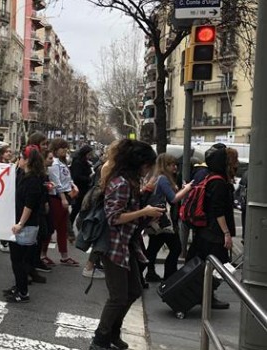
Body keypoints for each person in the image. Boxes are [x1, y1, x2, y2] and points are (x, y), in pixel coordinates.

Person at [89, 140, 164, 350]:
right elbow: (114, 217)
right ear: (138, 163)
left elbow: (129, 215)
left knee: (133, 291)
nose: (149, 169)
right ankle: (100, 340)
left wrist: (148, 211)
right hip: (113, 246)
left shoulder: (130, 182)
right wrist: (144, 212)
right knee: (118, 296)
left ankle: (113, 332)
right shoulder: (121, 182)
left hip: (127, 244)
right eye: (148, 165)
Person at [186, 147, 238, 310]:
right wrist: (227, 234)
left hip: (205, 230)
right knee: (217, 265)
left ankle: (202, 295)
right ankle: (206, 296)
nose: (236, 164)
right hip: (214, 232)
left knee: (205, 264)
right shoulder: (219, 182)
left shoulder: (211, 177)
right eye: (234, 160)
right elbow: (218, 210)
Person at [3, 145, 45, 303]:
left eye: (20, 157)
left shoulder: (33, 180)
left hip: (25, 225)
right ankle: (18, 286)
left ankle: (22, 292)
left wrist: (20, 223)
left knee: (18, 260)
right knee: (17, 259)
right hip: (19, 221)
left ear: (27, 161)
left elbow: (29, 205)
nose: (18, 159)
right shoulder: (23, 174)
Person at [143, 153, 193, 282]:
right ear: (165, 165)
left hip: (155, 219)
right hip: (163, 221)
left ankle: (145, 273)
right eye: (172, 164)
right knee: (176, 248)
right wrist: (187, 189)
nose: (175, 167)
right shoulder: (163, 179)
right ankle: (170, 276)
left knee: (153, 248)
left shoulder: (155, 177)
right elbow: (173, 198)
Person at [44, 138, 80, 267]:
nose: (65, 150)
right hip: (57, 198)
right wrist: (64, 198)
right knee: (51, 227)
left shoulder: (62, 162)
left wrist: (73, 186)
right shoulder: (54, 163)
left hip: (65, 196)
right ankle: (43, 254)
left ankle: (64, 256)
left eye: (66, 148)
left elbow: (66, 179)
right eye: (62, 148)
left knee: (62, 228)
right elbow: (56, 182)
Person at [70, 145, 93, 226]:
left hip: (84, 189)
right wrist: (89, 178)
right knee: (76, 210)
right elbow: (76, 177)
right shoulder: (78, 163)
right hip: (79, 190)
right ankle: (70, 227)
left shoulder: (85, 162)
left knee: (81, 210)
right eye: (89, 154)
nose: (90, 156)